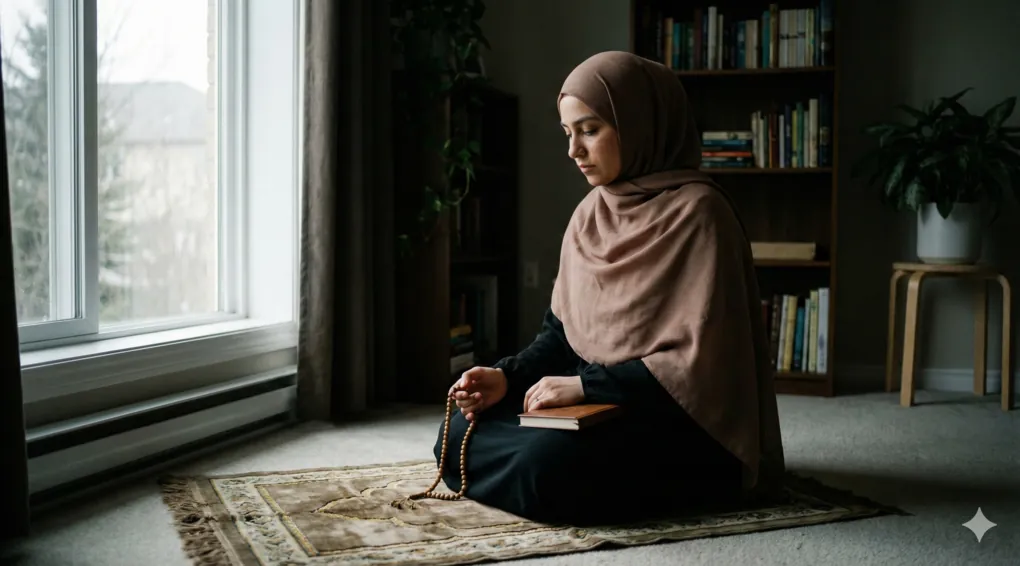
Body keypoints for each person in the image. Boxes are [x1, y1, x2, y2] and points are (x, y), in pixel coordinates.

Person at [433, 50, 786, 526]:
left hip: (675, 418)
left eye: (590, 130)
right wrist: (506, 377)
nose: (574, 151)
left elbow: (701, 366)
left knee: (547, 464)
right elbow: (560, 338)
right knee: (457, 430)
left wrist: (583, 385)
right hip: (597, 405)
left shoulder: (701, 213)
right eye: (567, 133)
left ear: (640, 123)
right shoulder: (589, 214)